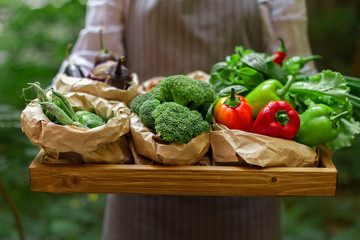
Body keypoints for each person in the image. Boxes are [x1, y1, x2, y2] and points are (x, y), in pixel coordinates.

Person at [60, 0, 314, 239]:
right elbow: (96, 58)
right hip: (140, 182)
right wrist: (64, 99)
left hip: (248, 181)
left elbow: (295, 64)